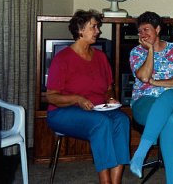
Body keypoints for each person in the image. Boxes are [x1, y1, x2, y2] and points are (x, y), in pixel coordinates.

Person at [46, 9, 130, 184]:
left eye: (97, 26)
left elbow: (109, 87)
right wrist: (77, 98)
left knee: (122, 120)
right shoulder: (62, 59)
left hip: (98, 110)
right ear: (80, 29)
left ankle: (116, 182)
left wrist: (110, 98)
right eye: (93, 27)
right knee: (101, 123)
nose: (98, 31)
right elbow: (52, 97)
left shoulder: (100, 57)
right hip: (63, 112)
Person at [129, 11, 173, 184]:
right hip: (144, 102)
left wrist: (158, 82)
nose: (142, 34)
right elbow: (144, 77)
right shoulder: (136, 52)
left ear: (158, 29)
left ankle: (139, 154)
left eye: (146, 30)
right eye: (140, 31)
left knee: (169, 96)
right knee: (171, 120)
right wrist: (150, 50)